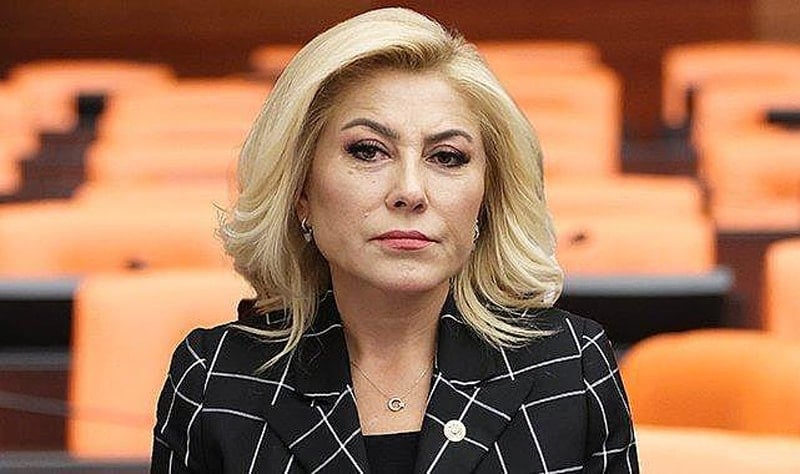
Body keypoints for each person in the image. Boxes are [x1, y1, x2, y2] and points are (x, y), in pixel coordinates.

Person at [151, 7, 639, 473]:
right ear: (300, 189)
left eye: (447, 157)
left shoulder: (569, 365)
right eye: (368, 151)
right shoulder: (216, 380)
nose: (410, 191)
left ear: (486, 197)